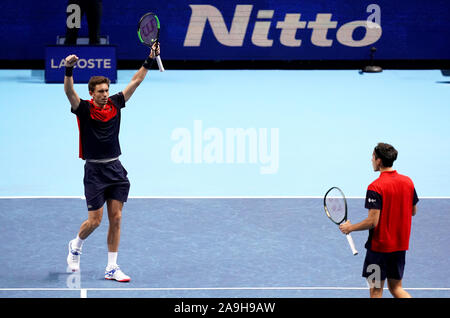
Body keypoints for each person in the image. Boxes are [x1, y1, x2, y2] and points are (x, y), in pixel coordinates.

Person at [64, 42, 160, 282]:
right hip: (95, 171)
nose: (105, 95)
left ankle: (112, 267)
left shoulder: (116, 103)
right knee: (94, 221)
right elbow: (69, 93)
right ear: (92, 94)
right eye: (100, 92)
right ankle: (75, 245)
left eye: (107, 90)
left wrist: (150, 58)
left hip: (115, 168)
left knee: (116, 218)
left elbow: (136, 81)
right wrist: (68, 70)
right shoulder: (83, 109)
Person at [339, 142, 419, 298]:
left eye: (373, 157)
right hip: (399, 247)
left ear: (379, 161)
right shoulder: (408, 182)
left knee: (376, 291)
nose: (371, 160)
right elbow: (413, 211)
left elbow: (372, 222)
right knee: (397, 289)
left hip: (378, 250)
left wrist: (350, 228)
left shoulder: (375, 187)